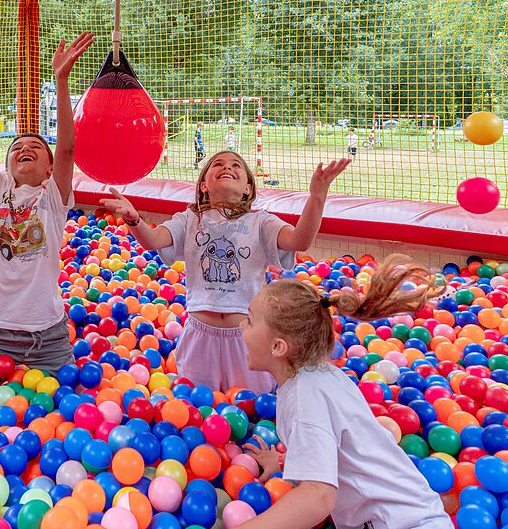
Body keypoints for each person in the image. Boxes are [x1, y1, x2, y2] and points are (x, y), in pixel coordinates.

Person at [193, 256, 454, 529]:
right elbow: (338, 445)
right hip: (392, 526)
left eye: (249, 320)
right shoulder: (318, 376)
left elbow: (318, 497)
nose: (241, 325)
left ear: (277, 347)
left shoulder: (305, 398)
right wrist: (283, 462)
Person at [102, 152, 350, 391]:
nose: (227, 168)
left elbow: (300, 240)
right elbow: (154, 240)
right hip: (199, 335)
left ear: (248, 189)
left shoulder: (261, 222)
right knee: (197, 411)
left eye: (236, 166)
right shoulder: (189, 220)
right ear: (203, 186)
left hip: (247, 337)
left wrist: (317, 195)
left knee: (252, 408)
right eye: (218, 164)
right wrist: (134, 219)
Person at [0, 20, 94, 371]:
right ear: (7, 165)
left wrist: (61, 82)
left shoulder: (52, 199)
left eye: (35, 147)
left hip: (45, 336)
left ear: (49, 170)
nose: (24, 149)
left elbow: (66, 149)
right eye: (17, 147)